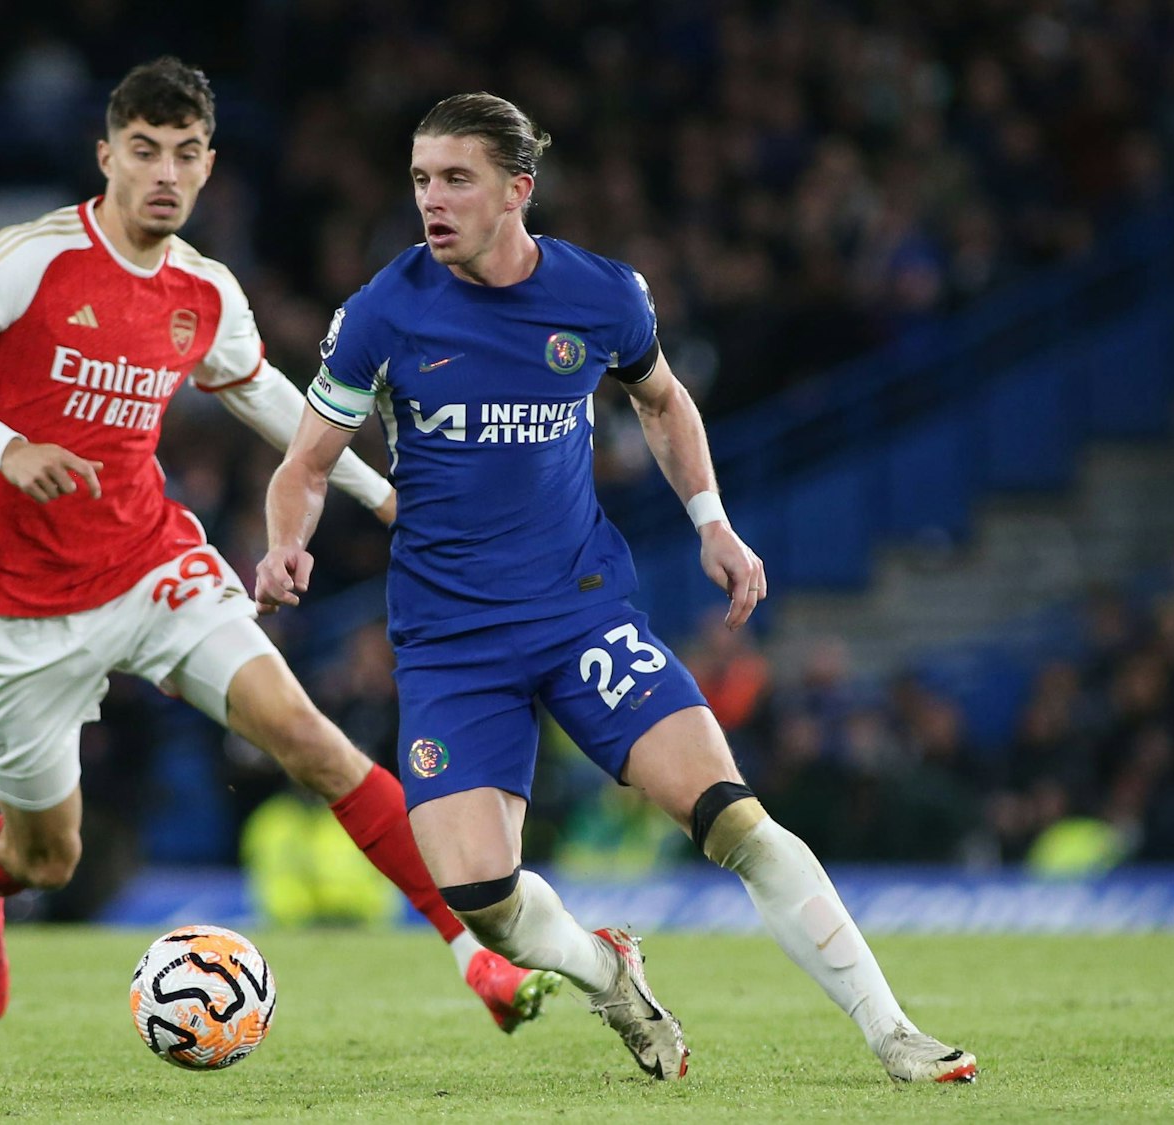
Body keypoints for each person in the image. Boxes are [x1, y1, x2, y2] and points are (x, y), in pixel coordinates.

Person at [257, 92, 977, 1084]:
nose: (431, 198)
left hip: (577, 611)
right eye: (421, 178)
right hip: (449, 642)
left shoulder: (601, 296)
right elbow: (303, 464)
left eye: (455, 178)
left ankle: (892, 1031)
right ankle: (606, 971)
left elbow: (662, 400)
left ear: (517, 189)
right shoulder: (382, 311)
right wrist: (284, 546)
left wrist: (710, 522)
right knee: (479, 897)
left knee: (730, 816)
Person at [0, 59, 559, 1029]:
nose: (163, 174)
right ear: (106, 156)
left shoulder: (201, 289)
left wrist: (374, 492)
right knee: (45, 857)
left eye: (184, 155)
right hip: (19, 607)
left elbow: (267, 395)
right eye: (143, 152)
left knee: (311, 743)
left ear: (207, 166)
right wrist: (5, 445)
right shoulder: (25, 259)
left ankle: (471, 952)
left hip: (152, 567)